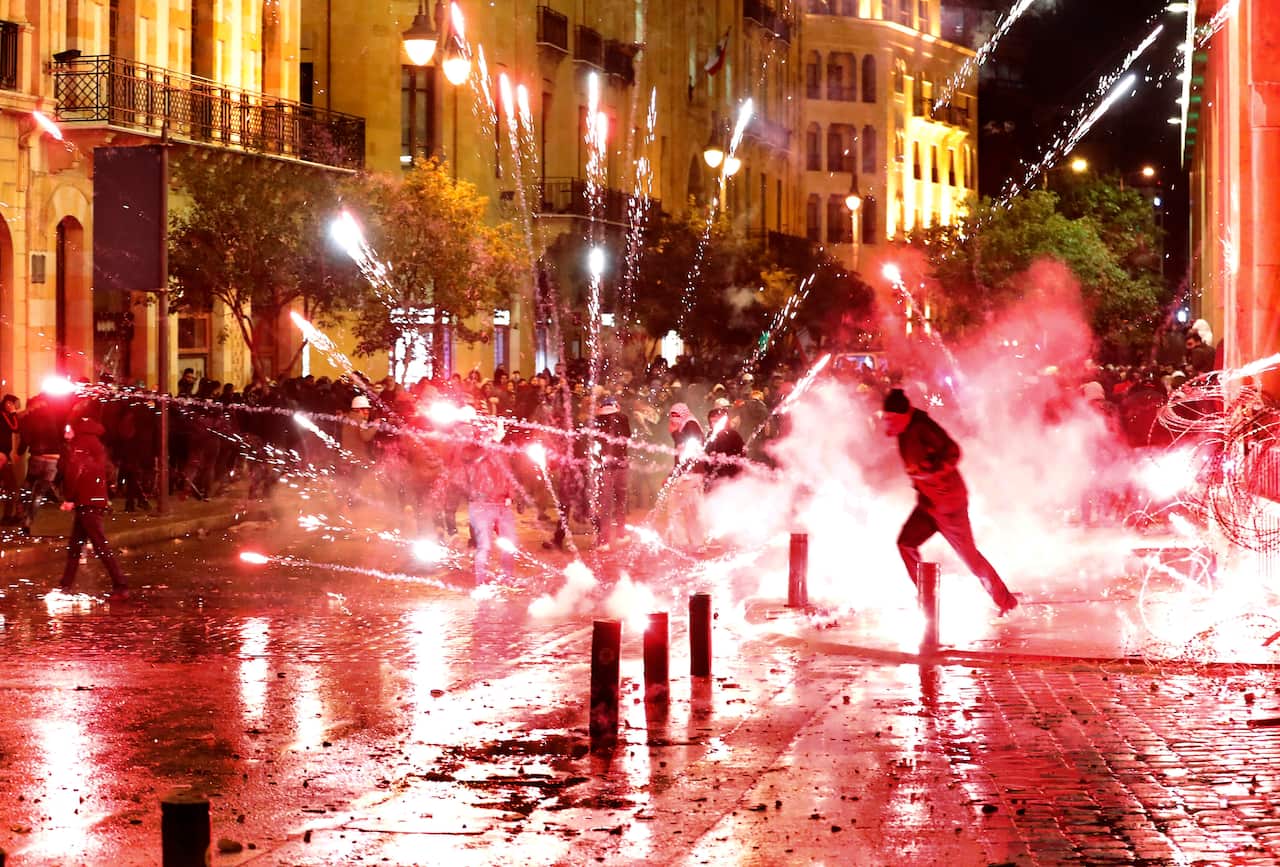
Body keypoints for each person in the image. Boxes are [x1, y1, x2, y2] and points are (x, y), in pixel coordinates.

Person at [881, 388, 1018, 617]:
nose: (888, 424)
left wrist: (934, 473)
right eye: (886, 418)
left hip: (949, 506)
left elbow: (953, 452)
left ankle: (1007, 602)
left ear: (905, 414)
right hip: (928, 503)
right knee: (906, 543)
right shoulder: (903, 431)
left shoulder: (923, 427)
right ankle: (926, 597)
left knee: (969, 557)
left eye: (892, 419)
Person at [58, 415, 129, 600]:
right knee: (76, 544)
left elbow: (74, 471)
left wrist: (69, 497)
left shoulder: (79, 444)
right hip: (93, 498)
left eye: (67, 428)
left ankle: (120, 585)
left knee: (99, 544)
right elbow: (108, 469)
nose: (65, 432)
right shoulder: (96, 443)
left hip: (86, 500)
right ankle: (65, 585)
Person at [665, 402, 705, 549]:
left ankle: (682, 543)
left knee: (679, 510)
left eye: (677, 415)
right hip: (688, 474)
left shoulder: (690, 425)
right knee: (689, 511)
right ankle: (695, 543)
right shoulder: (689, 424)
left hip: (689, 475)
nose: (674, 419)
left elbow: (690, 449)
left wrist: (675, 433)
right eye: (672, 415)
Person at [593, 396, 631, 550]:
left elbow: (594, 440)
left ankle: (604, 541)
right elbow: (627, 436)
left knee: (605, 504)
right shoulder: (623, 417)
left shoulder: (597, 419)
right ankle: (621, 535)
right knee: (621, 501)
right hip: (621, 464)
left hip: (604, 466)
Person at [704, 400, 746, 490]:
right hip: (712, 476)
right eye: (712, 421)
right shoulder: (710, 435)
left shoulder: (733, 435)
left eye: (717, 421)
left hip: (729, 476)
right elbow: (706, 452)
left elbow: (741, 453)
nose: (714, 424)